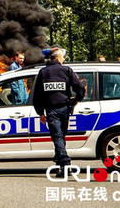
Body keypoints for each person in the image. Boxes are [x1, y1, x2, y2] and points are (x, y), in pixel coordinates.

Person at [33, 47, 85, 177]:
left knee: (57, 137)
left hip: (51, 110)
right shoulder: (66, 70)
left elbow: (37, 95)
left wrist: (40, 112)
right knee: (60, 137)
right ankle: (61, 165)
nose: (64, 59)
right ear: (57, 58)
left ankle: (64, 164)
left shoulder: (43, 72)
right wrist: (77, 99)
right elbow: (79, 87)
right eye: (62, 57)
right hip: (65, 108)